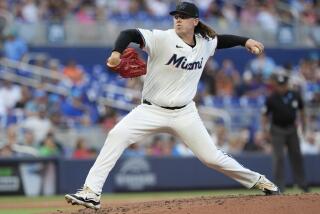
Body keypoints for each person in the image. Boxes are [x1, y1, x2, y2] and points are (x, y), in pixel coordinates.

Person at [65, 2, 279, 210]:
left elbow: (221, 40)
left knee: (211, 158)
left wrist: (246, 41)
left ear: (195, 21)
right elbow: (129, 33)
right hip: (151, 110)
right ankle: (91, 193)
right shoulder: (161, 38)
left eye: (183, 17)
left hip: (185, 113)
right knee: (116, 135)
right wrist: (116, 53)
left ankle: (260, 181)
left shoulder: (205, 43)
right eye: (176, 16)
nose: (178, 20)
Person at [262, 73, 309, 193]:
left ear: (287, 85)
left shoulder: (295, 95)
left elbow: (302, 111)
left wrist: (304, 126)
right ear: (276, 86)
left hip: (292, 129)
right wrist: (265, 130)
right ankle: (279, 186)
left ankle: (302, 184)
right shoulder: (271, 98)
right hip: (277, 130)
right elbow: (265, 115)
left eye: (283, 85)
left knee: (296, 156)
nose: (281, 88)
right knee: (278, 158)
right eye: (279, 85)